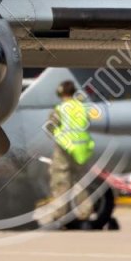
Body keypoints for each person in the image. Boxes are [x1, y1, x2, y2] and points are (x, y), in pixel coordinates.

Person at [45, 80, 96, 228]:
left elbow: (50, 127)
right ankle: (85, 214)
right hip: (81, 149)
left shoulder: (60, 109)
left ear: (61, 94)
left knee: (61, 182)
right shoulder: (81, 107)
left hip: (64, 148)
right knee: (80, 183)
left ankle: (60, 216)